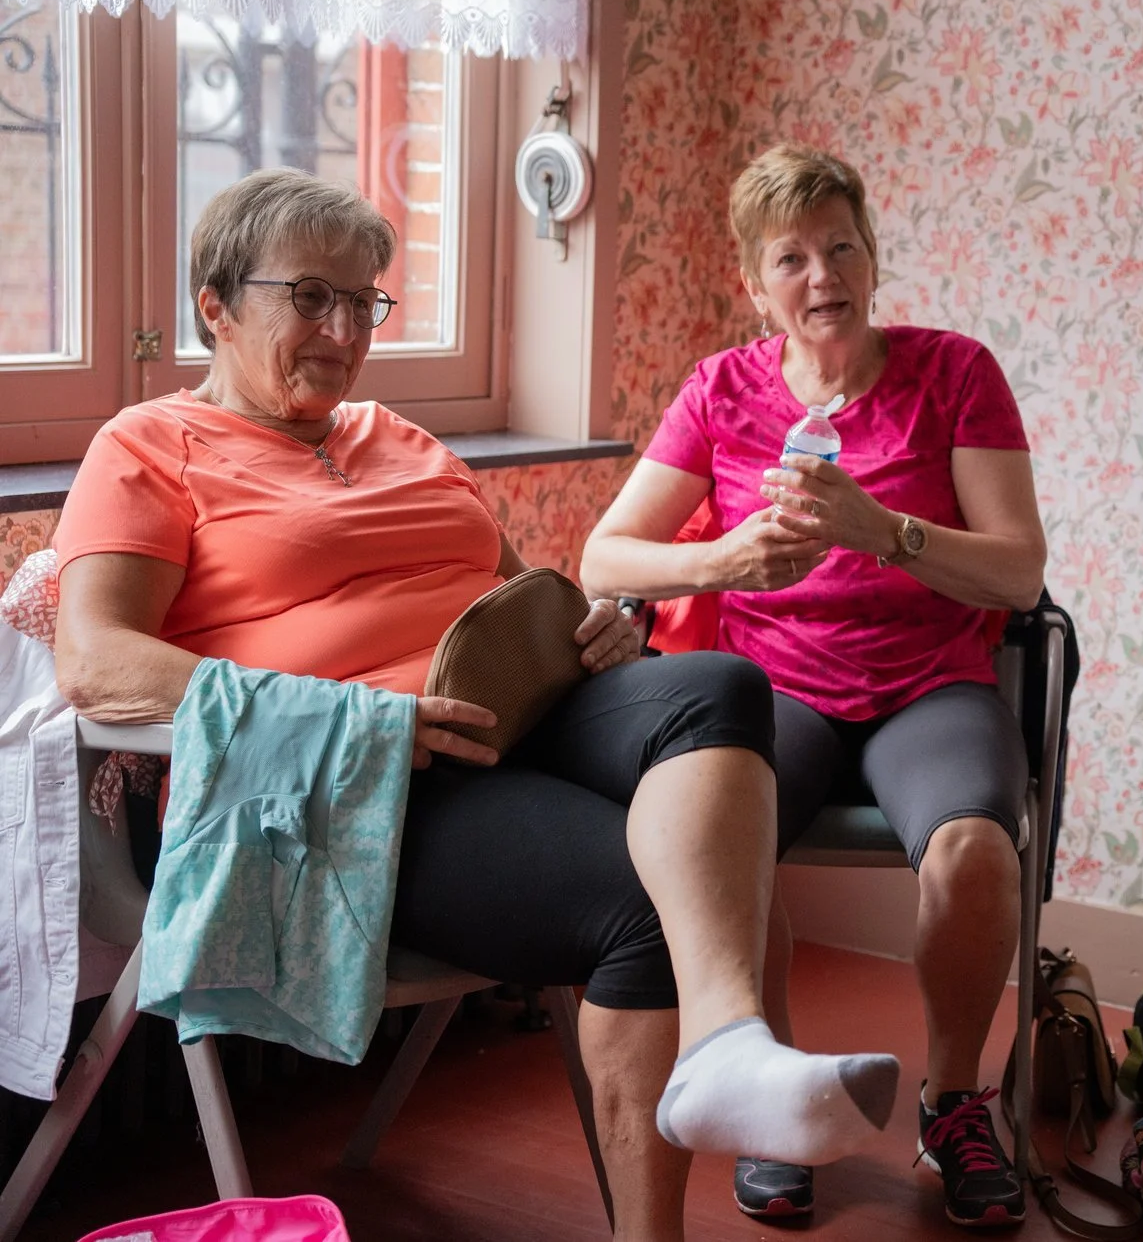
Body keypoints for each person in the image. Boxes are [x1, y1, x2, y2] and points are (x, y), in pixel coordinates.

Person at [52, 168, 898, 1242]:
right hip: (363, 783)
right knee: (644, 902)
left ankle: (728, 1045)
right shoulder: (146, 446)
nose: (344, 330)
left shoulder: (397, 438)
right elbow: (95, 659)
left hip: (511, 713)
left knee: (721, 684)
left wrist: (589, 626)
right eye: (310, 297)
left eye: (363, 301)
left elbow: (507, 596)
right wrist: (351, 718)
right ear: (215, 305)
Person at [581, 143, 1047, 1227]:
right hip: (775, 689)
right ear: (756, 284)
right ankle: (770, 1093)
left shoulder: (954, 373)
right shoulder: (720, 389)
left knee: (976, 850)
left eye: (841, 247)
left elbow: (1019, 571)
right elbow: (606, 555)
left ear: (871, 256)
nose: (822, 275)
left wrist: (884, 532)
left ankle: (952, 1102)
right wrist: (724, 557)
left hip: (929, 685)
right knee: (714, 846)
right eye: (790, 258)